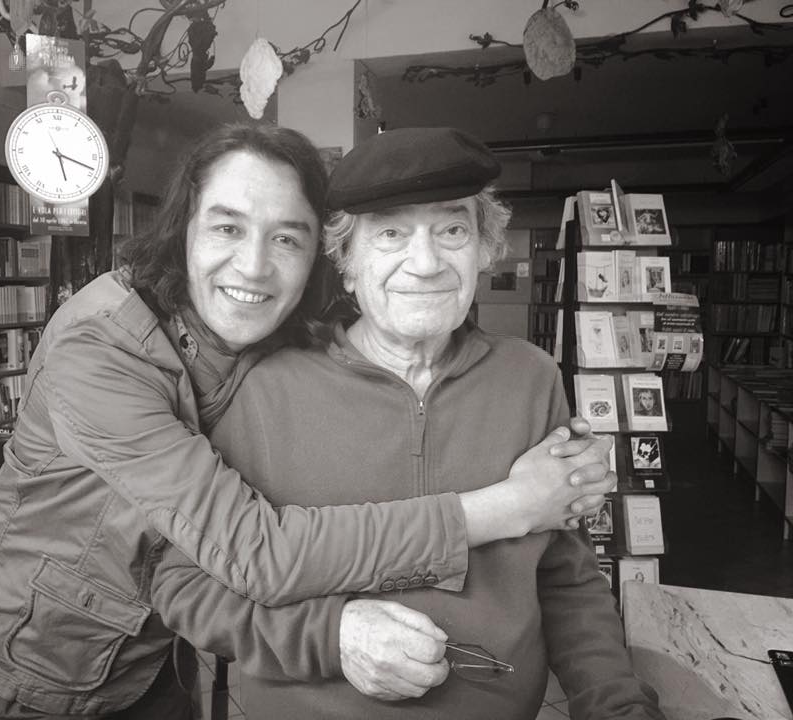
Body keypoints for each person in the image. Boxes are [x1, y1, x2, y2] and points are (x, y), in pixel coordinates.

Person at [0, 123, 614, 720]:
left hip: (157, 655)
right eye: (227, 228)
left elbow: (566, 575)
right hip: (52, 657)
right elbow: (247, 553)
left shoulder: (521, 377)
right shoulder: (104, 353)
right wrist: (514, 506)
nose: (255, 265)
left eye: (287, 237)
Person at [152, 127, 664, 719]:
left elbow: (566, 576)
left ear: (484, 250)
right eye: (391, 233)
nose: (425, 263)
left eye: (452, 231)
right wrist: (330, 636)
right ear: (346, 263)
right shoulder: (264, 387)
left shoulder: (531, 378)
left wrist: (615, 703)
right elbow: (184, 584)